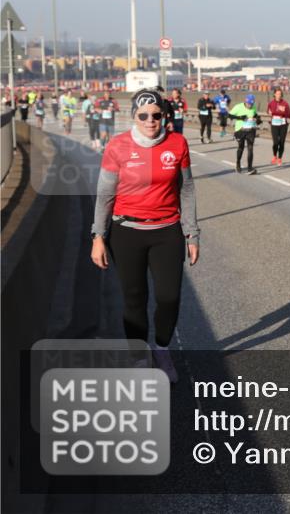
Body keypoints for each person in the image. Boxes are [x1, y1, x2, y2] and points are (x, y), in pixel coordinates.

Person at [90, 89, 200, 383]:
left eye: (156, 115)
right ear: (134, 116)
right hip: (126, 232)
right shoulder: (117, 146)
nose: (150, 121)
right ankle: (139, 357)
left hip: (167, 230)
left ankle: (162, 350)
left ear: (164, 116)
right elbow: (104, 194)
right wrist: (98, 235)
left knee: (169, 298)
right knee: (135, 299)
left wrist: (192, 233)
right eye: (143, 115)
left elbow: (186, 189)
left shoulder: (177, 143)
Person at [230, 93, 260, 174]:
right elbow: (229, 115)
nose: (250, 105)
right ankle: (238, 164)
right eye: (248, 104)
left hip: (250, 130)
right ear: (245, 101)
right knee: (241, 147)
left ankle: (250, 168)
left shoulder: (253, 107)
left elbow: (256, 115)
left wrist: (258, 119)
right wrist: (240, 117)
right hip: (240, 130)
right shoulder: (238, 107)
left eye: (251, 104)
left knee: (250, 148)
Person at [266, 88, 290, 165]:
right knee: (275, 142)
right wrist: (269, 113)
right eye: (277, 94)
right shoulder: (271, 103)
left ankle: (279, 158)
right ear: (274, 94)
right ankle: (274, 156)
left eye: (280, 94)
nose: (278, 95)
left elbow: (289, 115)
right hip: (274, 124)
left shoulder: (285, 103)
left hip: (283, 125)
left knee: (282, 142)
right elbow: (268, 111)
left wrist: (283, 113)